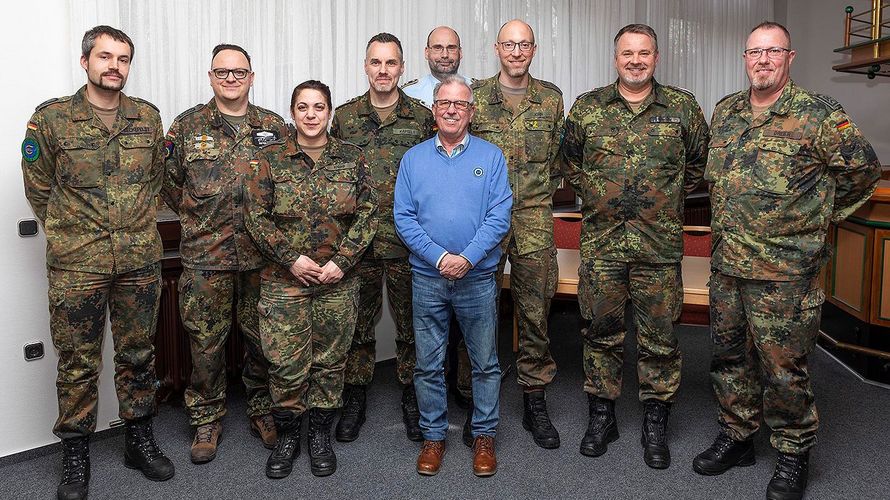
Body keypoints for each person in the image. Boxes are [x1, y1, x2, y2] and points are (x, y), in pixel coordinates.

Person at [692, 22, 880, 500]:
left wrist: (820, 219)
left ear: (789, 58)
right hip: (728, 265)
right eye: (755, 52)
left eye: (773, 52)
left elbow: (863, 172)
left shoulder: (818, 115)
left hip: (785, 274)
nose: (763, 60)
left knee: (785, 368)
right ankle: (737, 436)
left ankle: (793, 453)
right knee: (728, 357)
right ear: (745, 58)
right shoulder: (727, 111)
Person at [21, 25, 174, 500]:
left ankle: (138, 439)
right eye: (105, 57)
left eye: (123, 58)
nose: (115, 66)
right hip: (77, 265)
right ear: (85, 61)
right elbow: (38, 188)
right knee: (77, 361)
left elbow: (156, 181)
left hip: (137, 262)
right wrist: (73, 233)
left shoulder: (147, 118)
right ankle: (75, 452)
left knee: (137, 355)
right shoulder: (50, 120)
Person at [561, 24, 709, 468]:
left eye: (644, 53)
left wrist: (663, 203)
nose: (636, 60)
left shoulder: (682, 108)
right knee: (599, 334)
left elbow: (697, 166)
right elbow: (569, 162)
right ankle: (602, 416)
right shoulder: (588, 108)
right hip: (603, 247)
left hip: (658, 248)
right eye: (628, 53)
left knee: (660, 340)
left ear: (656, 58)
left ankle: (655, 422)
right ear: (616, 58)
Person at [244, 80, 377, 478]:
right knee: (285, 363)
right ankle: (288, 437)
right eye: (302, 107)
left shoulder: (352, 158)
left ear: (330, 112)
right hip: (285, 280)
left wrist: (344, 260)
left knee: (330, 362)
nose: (311, 115)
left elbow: (369, 213)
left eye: (319, 107)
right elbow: (256, 217)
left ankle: (319, 435)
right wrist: (291, 259)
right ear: (292, 112)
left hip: (338, 280)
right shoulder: (269, 160)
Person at [162, 44, 285, 464]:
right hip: (205, 257)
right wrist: (200, 218)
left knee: (262, 339)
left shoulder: (273, 127)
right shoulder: (186, 126)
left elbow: (286, 183)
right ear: (210, 76)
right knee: (205, 343)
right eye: (222, 72)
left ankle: (262, 409)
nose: (231, 79)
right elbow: (169, 183)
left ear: (252, 76)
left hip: (261, 256)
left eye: (239, 72)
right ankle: (206, 418)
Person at [395, 76, 513, 477]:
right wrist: (441, 257)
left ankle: (484, 436)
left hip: (477, 278)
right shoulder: (413, 159)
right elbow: (404, 219)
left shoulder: (492, 157)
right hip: (427, 278)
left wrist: (467, 258)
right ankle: (433, 437)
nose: (450, 109)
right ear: (433, 109)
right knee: (428, 364)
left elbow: (499, 217)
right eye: (444, 102)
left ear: (471, 112)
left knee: (484, 362)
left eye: (459, 104)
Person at [330, 32, 435, 443]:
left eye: (391, 63)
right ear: (365, 66)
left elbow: (434, 177)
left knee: (413, 327)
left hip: (409, 244)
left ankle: (412, 396)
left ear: (403, 68)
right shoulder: (344, 117)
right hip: (358, 246)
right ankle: (355, 397)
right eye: (376, 62)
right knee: (357, 327)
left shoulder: (422, 118)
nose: (383, 70)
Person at [469, 19, 564, 449]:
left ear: (534, 48)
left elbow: (560, 161)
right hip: (482, 222)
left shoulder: (551, 99)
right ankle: (475, 399)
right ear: (497, 48)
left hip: (533, 220)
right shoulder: (475, 96)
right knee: (476, 314)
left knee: (534, 314)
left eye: (524, 44)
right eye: (509, 44)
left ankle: (534, 398)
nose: (516, 51)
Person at [402, 26, 474, 108]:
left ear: (460, 53)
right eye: (438, 48)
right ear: (427, 52)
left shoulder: (477, 91)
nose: (445, 55)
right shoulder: (408, 93)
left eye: (451, 48)